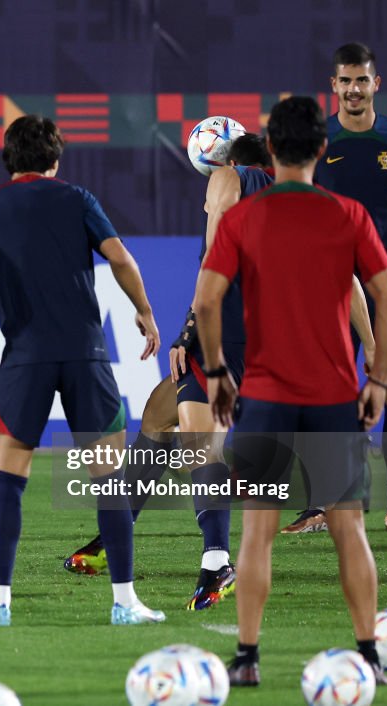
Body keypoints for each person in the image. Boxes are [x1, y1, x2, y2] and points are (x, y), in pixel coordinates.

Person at [194, 95, 387, 685]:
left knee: (258, 532)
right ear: (321, 149)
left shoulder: (242, 218)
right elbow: (385, 296)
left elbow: (208, 298)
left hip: (265, 397)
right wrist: (379, 379)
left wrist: (215, 372)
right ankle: (367, 654)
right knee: (349, 529)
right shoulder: (348, 215)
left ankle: (247, 659)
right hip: (335, 395)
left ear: (272, 149)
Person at [0, 115, 164, 627]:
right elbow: (122, 259)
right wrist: (145, 311)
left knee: (8, 482)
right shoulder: (78, 198)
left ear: (8, 159)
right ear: (55, 159)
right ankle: (125, 603)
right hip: (86, 355)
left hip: (25, 358)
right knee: (109, 484)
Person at [65, 135, 277, 614]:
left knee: (201, 444)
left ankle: (217, 560)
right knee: (159, 417)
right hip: (266, 332)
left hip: (228, 328)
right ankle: (112, 536)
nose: (207, 202)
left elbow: (216, 257)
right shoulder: (295, 196)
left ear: (229, 163)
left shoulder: (230, 178)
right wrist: (370, 349)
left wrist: (189, 331)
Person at [292, 41, 387, 534]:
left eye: (362, 80)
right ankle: (316, 504)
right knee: (320, 393)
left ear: (376, 84)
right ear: (333, 86)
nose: (354, 89)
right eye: (345, 80)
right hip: (327, 286)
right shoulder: (319, 142)